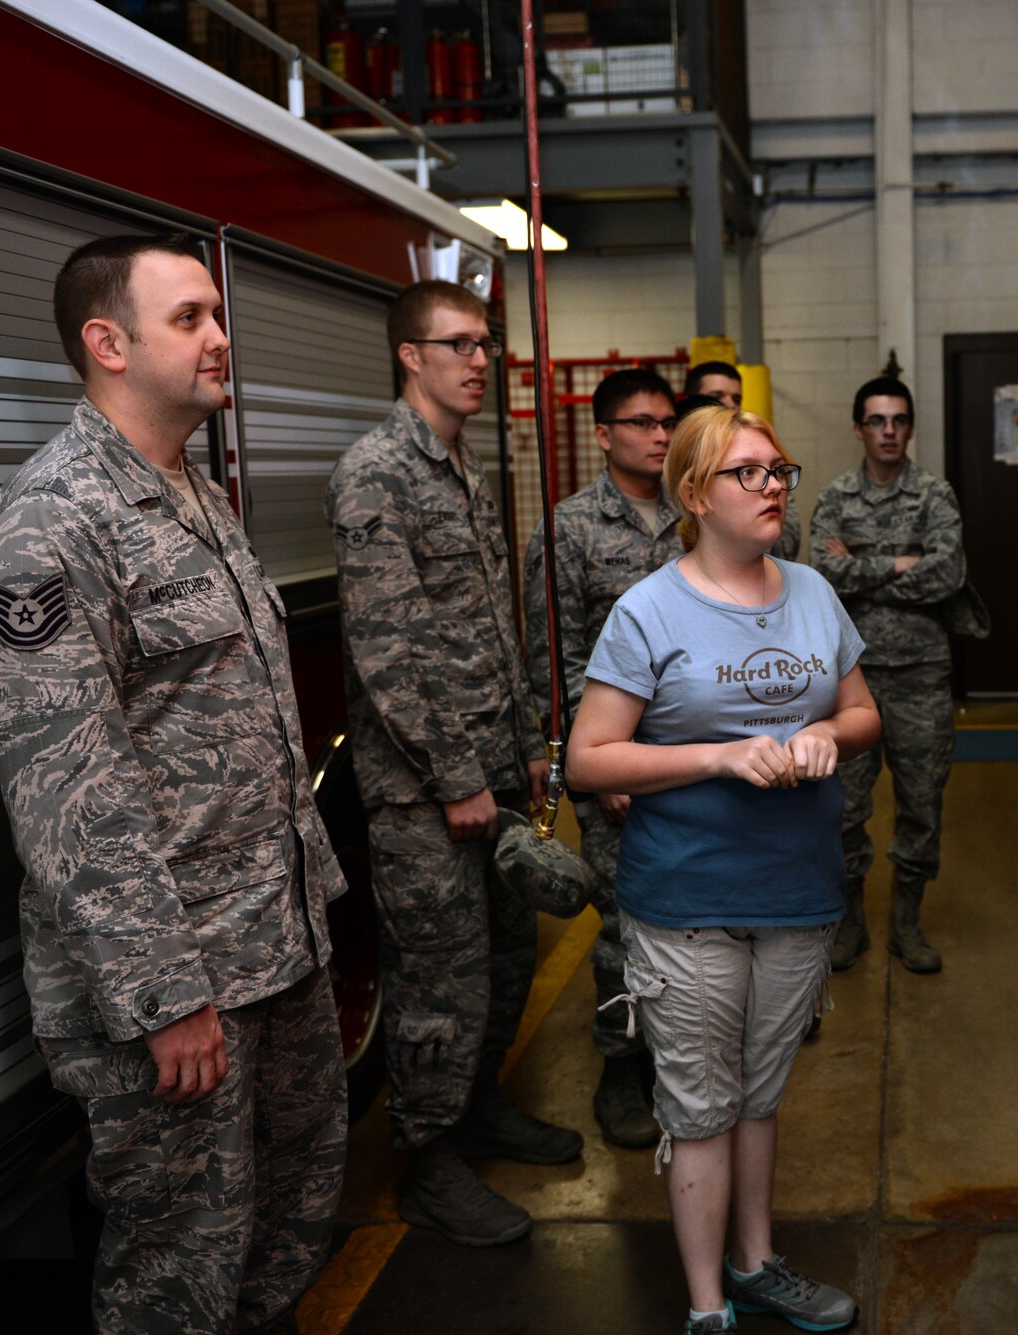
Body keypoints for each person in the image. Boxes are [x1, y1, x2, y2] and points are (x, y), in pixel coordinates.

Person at [0, 232, 346, 1334]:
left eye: (217, 315)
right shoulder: (53, 519)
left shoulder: (189, 493)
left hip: (276, 947)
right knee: (176, 1269)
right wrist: (165, 996)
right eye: (190, 318)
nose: (221, 337)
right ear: (108, 343)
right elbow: (65, 792)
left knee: (284, 1222)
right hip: (180, 990)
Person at [566, 406, 879, 1335]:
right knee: (700, 1105)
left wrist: (825, 731)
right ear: (697, 494)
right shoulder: (648, 609)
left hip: (796, 891)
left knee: (759, 1093)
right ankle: (708, 1308)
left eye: (780, 467)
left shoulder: (815, 595)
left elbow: (864, 714)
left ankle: (755, 1264)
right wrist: (717, 755)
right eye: (750, 472)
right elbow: (591, 758)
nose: (776, 484)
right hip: (689, 897)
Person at [325, 280, 575, 1248]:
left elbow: (489, 632)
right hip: (424, 795)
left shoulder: (463, 469)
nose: (480, 362)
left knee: (508, 954)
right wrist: (455, 778)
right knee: (441, 979)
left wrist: (521, 752)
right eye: (459, 344)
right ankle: (426, 1161)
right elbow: (388, 649)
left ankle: (476, 1109)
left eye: (487, 346)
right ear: (408, 355)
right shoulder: (374, 472)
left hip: (491, 775)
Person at [523, 366, 682, 1149]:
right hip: (614, 762)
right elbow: (555, 660)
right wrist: (599, 763)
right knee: (625, 926)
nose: (659, 436)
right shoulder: (569, 530)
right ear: (605, 433)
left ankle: (684, 1059)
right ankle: (623, 1065)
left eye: (667, 422)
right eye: (644, 423)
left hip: (698, 762)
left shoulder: (697, 515)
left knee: (697, 922)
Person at [809, 376, 967, 973]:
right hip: (850, 679)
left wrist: (864, 569)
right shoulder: (837, 496)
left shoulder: (933, 494)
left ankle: (907, 922)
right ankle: (851, 921)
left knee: (922, 802)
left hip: (922, 675)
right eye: (876, 420)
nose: (889, 431)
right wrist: (902, 563)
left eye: (899, 420)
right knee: (844, 808)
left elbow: (947, 574)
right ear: (858, 428)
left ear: (910, 427)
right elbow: (821, 569)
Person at [686, 359, 799, 559]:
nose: (729, 405)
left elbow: (784, 545)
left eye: (736, 399)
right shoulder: (678, 471)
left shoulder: (768, 468)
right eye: (716, 397)